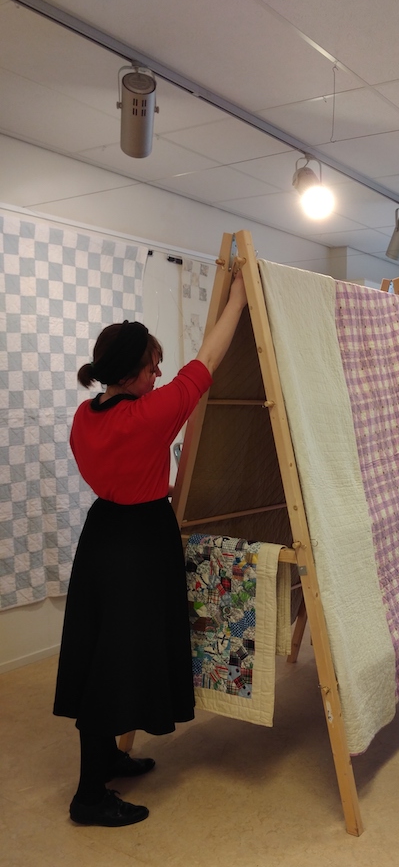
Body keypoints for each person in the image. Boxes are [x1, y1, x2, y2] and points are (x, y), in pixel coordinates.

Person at [54, 270, 248, 826]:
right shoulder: (148, 416)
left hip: (103, 536)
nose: (159, 374)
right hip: (138, 543)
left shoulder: (85, 416)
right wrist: (238, 297)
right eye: (151, 367)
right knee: (116, 660)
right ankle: (89, 796)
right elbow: (208, 360)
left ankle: (108, 759)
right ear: (128, 374)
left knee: (104, 650)